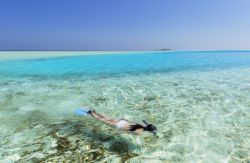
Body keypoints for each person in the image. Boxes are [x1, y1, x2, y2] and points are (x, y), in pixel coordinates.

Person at [87, 110, 157, 136]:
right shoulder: (139, 132)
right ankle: (91, 113)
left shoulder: (140, 124)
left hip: (122, 122)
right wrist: (118, 133)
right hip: (118, 126)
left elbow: (131, 122)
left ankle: (94, 112)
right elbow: (127, 132)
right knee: (102, 120)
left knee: (106, 118)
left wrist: (123, 119)